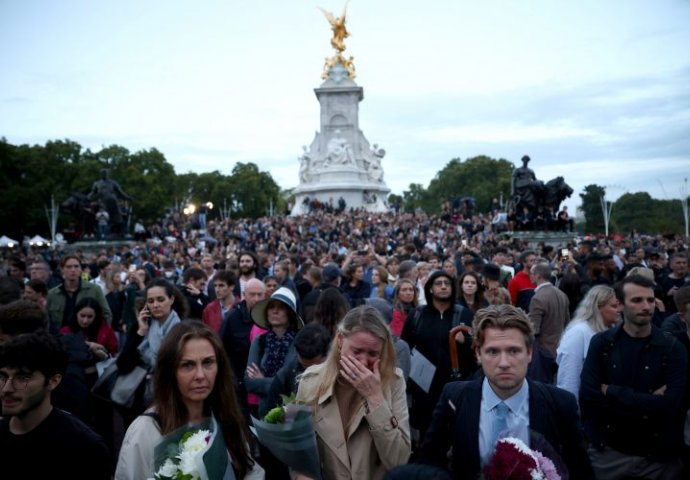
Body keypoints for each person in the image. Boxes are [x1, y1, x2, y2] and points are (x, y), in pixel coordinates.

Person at [418, 304, 593, 479]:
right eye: (493, 351)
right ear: (478, 354)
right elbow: (429, 462)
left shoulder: (560, 403)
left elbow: (580, 470)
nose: (504, 363)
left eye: (513, 351)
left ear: (529, 352)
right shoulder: (455, 398)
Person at [115, 321, 264, 479]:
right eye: (187, 365)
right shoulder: (146, 431)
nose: (200, 375)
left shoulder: (224, 418)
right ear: (170, 371)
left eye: (208, 363)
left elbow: (250, 471)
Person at [580, 274, 687, 479]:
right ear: (620, 305)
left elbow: (672, 404)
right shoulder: (602, 344)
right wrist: (650, 401)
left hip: (658, 457)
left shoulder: (672, 348)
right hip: (610, 454)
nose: (646, 306)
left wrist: (612, 391)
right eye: (637, 300)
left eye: (650, 300)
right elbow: (590, 394)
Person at [296, 305, 411, 479]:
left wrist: (375, 398)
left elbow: (399, 461)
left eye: (373, 353)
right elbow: (298, 452)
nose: (363, 362)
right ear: (340, 340)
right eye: (356, 351)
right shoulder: (311, 381)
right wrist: (300, 475)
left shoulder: (394, 382)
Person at [0, 331, 112, 479]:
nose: (7, 389)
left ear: (53, 381)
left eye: (23, 378)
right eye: (3, 376)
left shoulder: (83, 447)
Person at [401, 271, 474, 444]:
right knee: (427, 434)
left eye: (447, 283)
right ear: (431, 289)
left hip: (455, 384)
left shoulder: (463, 314)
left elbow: (478, 347)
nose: (443, 286)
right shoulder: (417, 315)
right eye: (438, 283)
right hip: (423, 387)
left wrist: (466, 340)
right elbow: (405, 347)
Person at [116, 279, 185, 418]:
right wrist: (141, 331)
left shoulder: (183, 330)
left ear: (171, 299)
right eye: (151, 301)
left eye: (160, 299)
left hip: (171, 399)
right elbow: (122, 364)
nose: (155, 305)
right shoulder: (141, 327)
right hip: (137, 399)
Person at [245, 287, 303, 415]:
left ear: (290, 313)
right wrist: (279, 384)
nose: (275, 311)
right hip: (265, 411)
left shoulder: (300, 343)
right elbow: (249, 382)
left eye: (281, 307)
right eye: (272, 307)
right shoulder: (260, 341)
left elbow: (295, 385)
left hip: (292, 412)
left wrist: (263, 379)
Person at [555, 285, 619, 401]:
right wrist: (572, 412)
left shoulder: (612, 332)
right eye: (614, 306)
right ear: (598, 307)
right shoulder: (579, 332)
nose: (618, 310)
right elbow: (569, 378)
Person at [527, 262, 570, 383]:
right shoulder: (562, 295)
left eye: (531, 274)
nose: (530, 276)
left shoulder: (538, 298)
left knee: (542, 387)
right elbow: (567, 323)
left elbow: (534, 329)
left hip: (542, 352)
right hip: (559, 348)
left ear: (538, 276)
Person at [47, 254, 112, 330]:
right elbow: (47, 319)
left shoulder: (94, 290)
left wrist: (102, 335)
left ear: (81, 269)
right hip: (60, 338)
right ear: (62, 270)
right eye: (69, 267)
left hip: (88, 337)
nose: (73, 270)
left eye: (76, 266)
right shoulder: (52, 294)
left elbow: (106, 314)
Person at [202, 269, 237, 334]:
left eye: (221, 285)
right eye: (215, 285)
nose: (217, 289)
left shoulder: (242, 308)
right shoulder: (209, 308)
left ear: (231, 287)